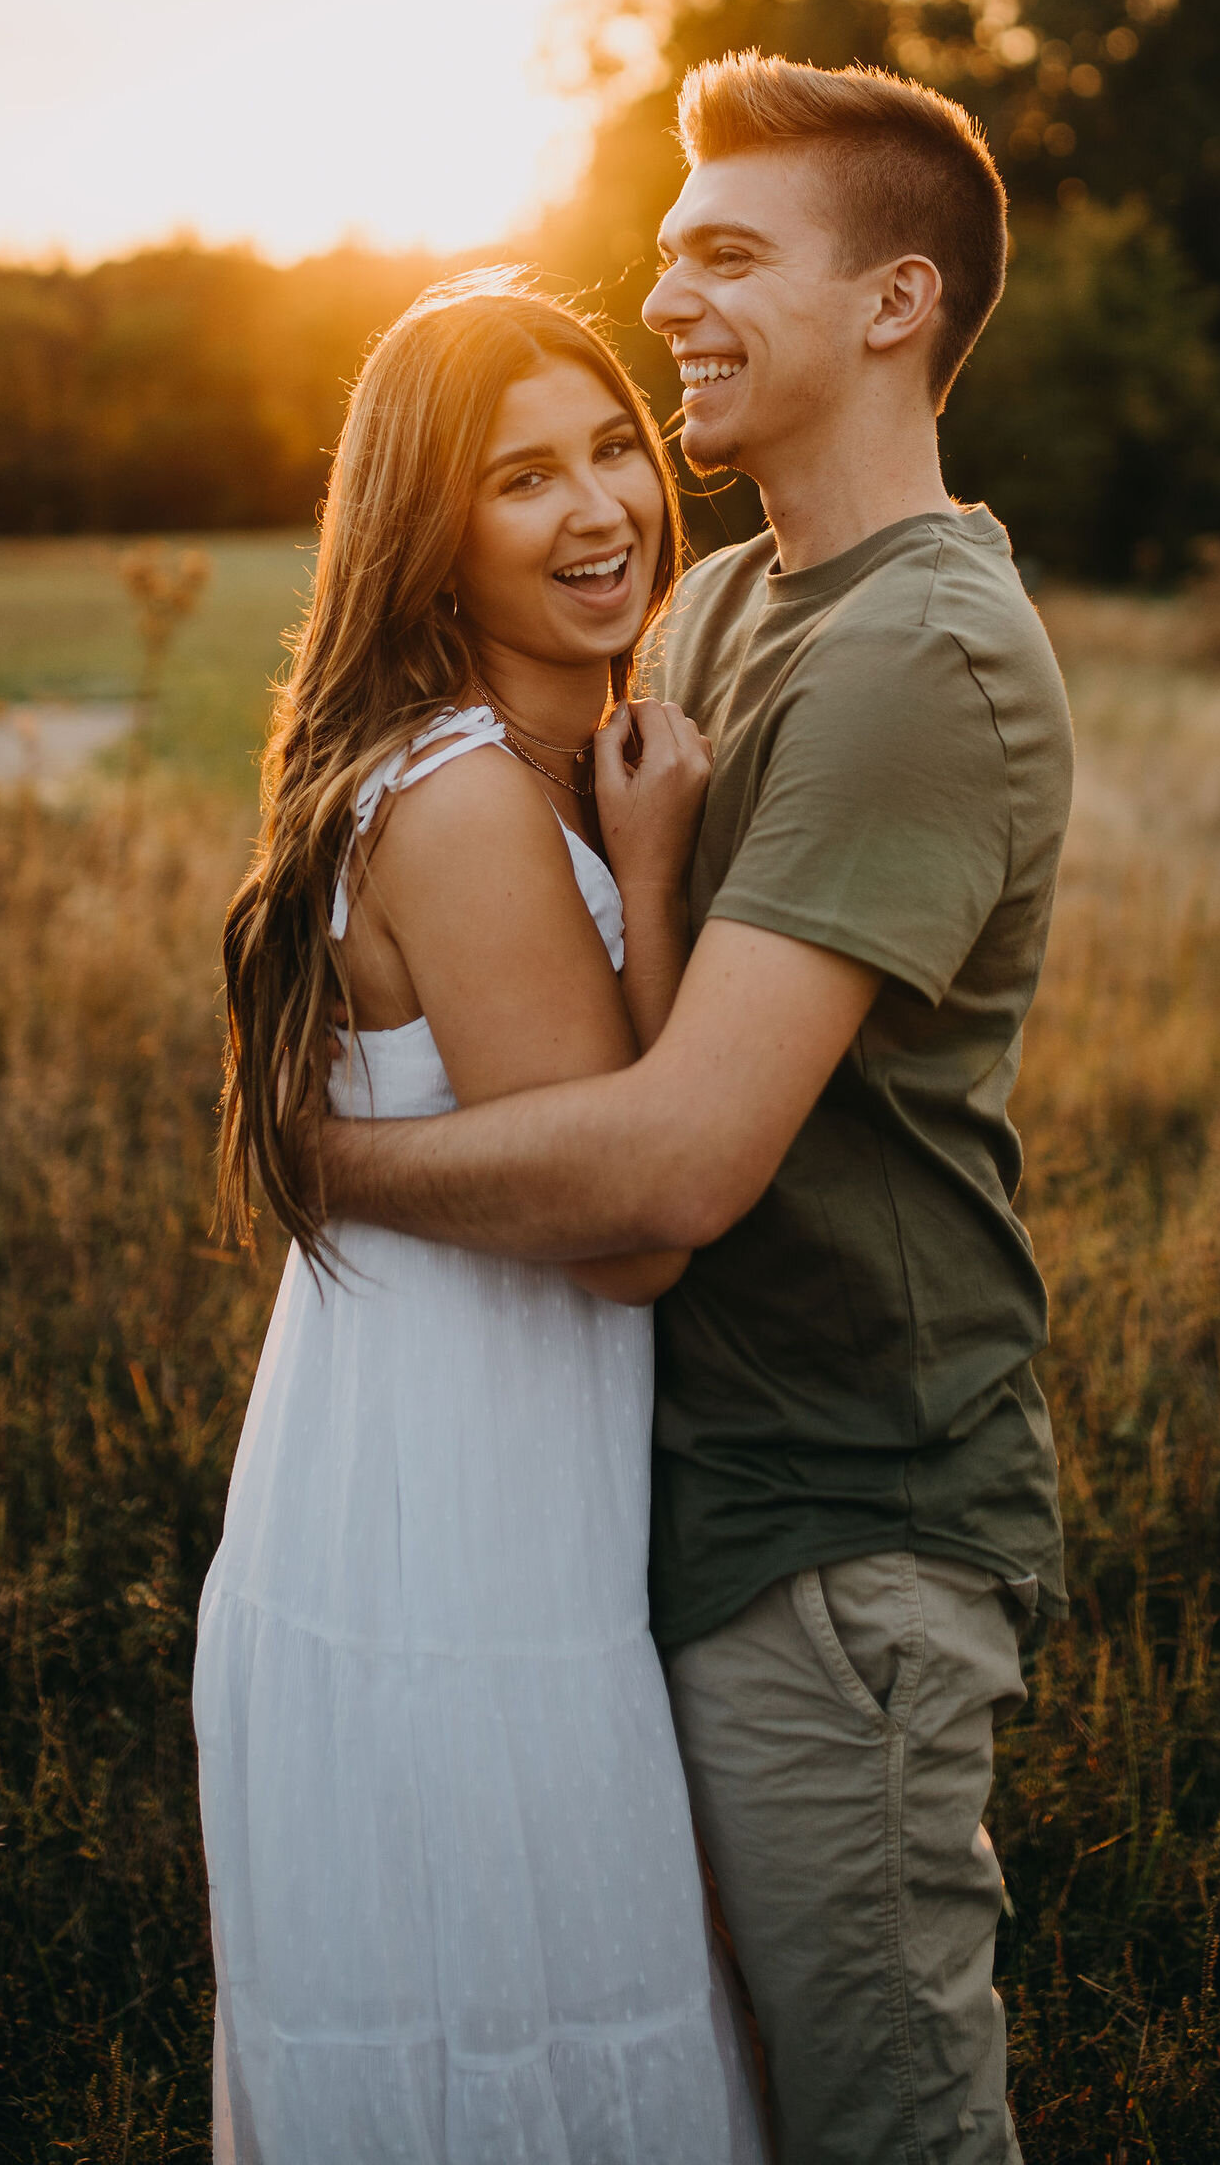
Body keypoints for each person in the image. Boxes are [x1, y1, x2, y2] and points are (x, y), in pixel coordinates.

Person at [320, 55, 1076, 2165]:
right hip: (671, 1497)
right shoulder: (735, 601)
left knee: (883, 2122)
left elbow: (675, 1160)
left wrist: (316, 1156)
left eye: (726, 255)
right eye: (665, 256)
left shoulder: (918, 652)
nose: (666, 304)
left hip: (844, 1519)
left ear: (895, 302)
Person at [193, 279, 766, 2164]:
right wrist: (662, 875)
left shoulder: (546, 765)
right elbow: (630, 1228)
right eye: (523, 476)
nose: (600, 505)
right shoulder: (459, 801)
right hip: (449, 1542)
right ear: (429, 534)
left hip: (483, 1497)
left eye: (613, 445)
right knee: (510, 2040)